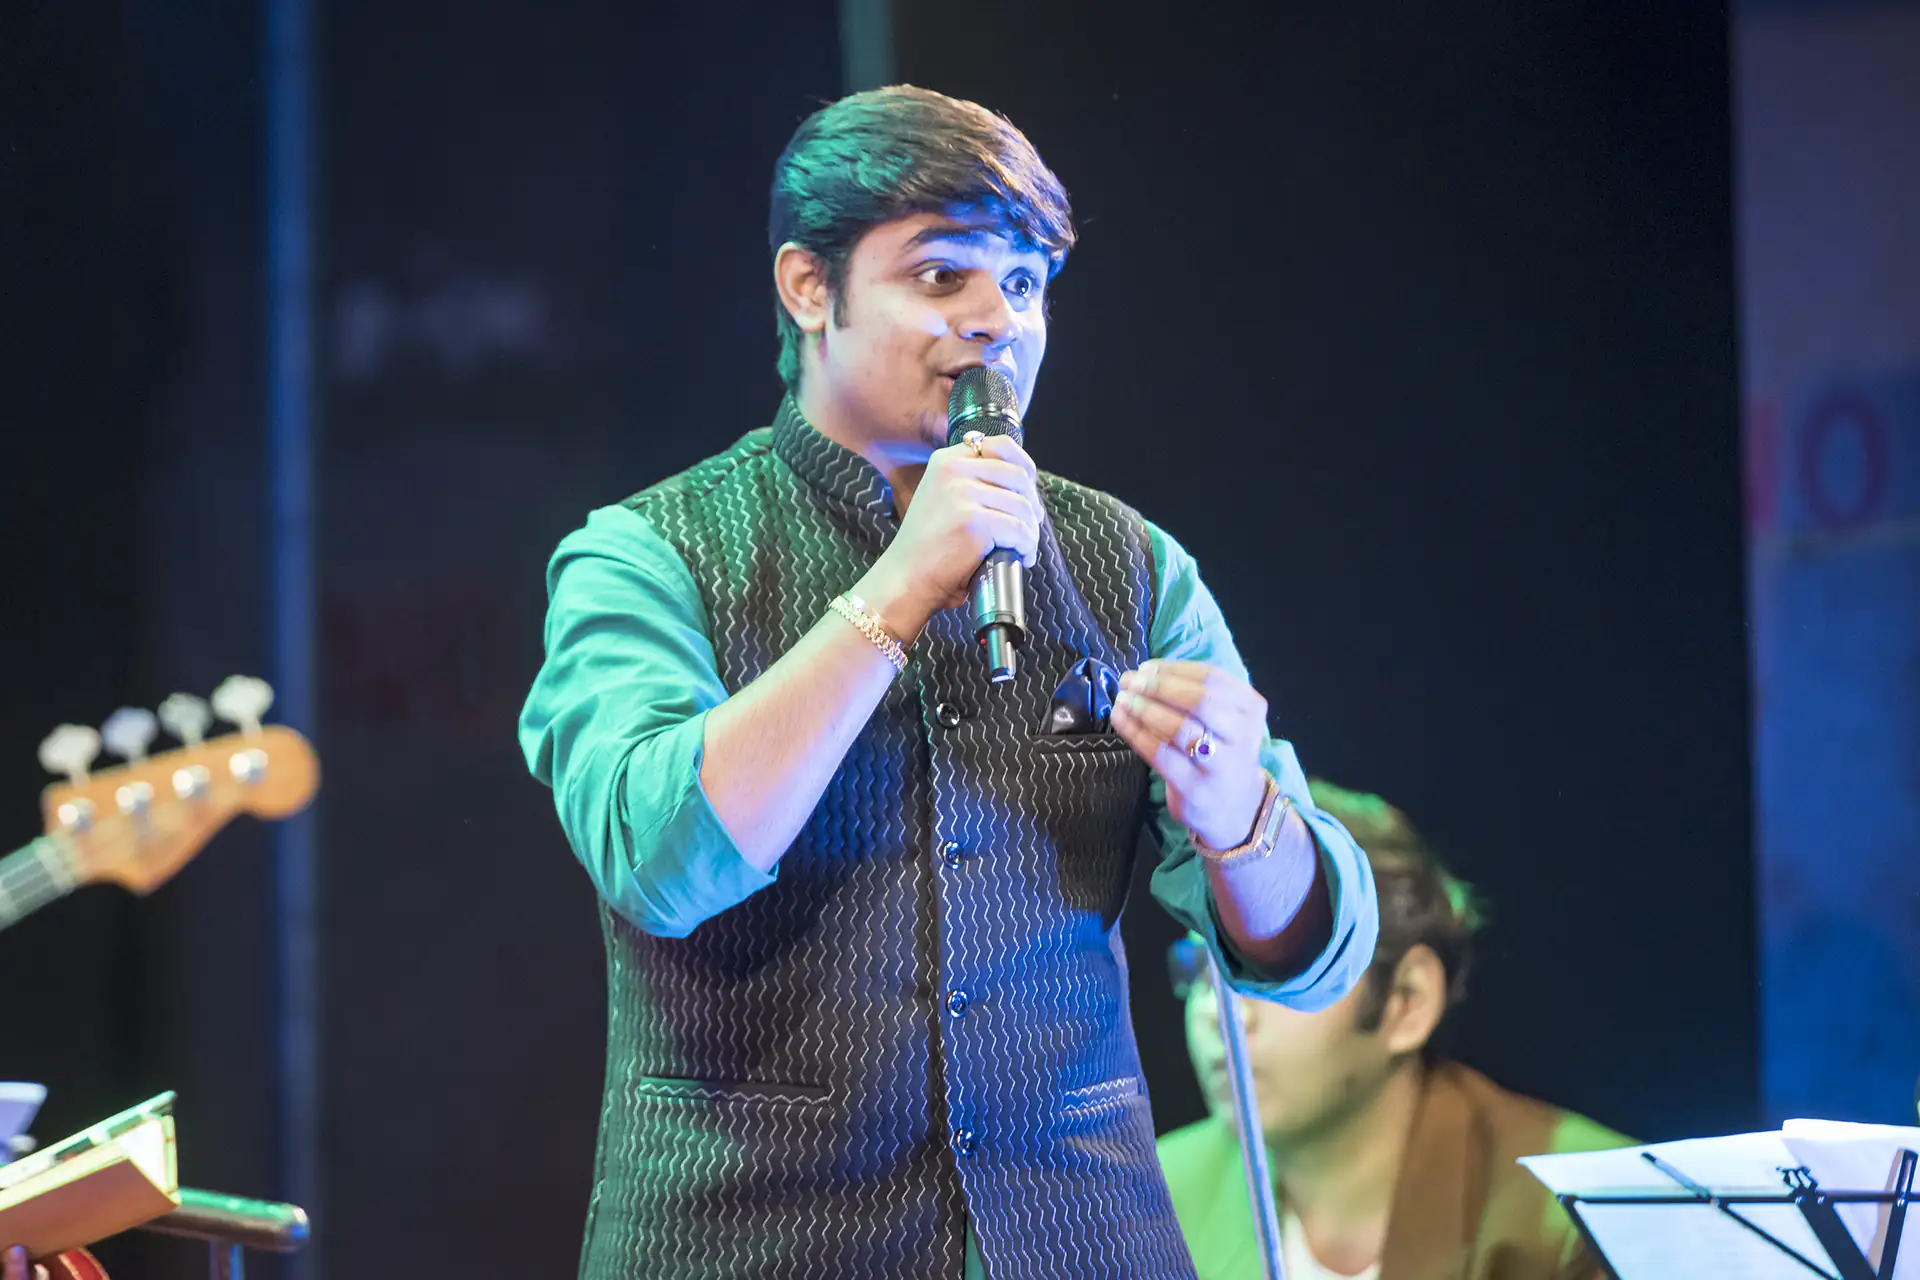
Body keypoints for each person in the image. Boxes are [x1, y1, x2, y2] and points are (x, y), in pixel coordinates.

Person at [519, 85, 1378, 1279]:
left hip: (1079, 1240)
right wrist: (897, 588)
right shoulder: (649, 553)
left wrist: (1242, 818)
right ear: (808, 287)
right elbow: (662, 860)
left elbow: (1319, 952)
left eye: (1025, 283)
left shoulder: (1129, 562)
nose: (996, 321)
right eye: (941, 276)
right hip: (753, 1239)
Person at [1157, 781, 1631, 1280]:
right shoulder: (1152, 1198)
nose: (1218, 1013)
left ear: (1408, 1001)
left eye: (1278, 976)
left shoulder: (1588, 1210)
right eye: (1203, 971)